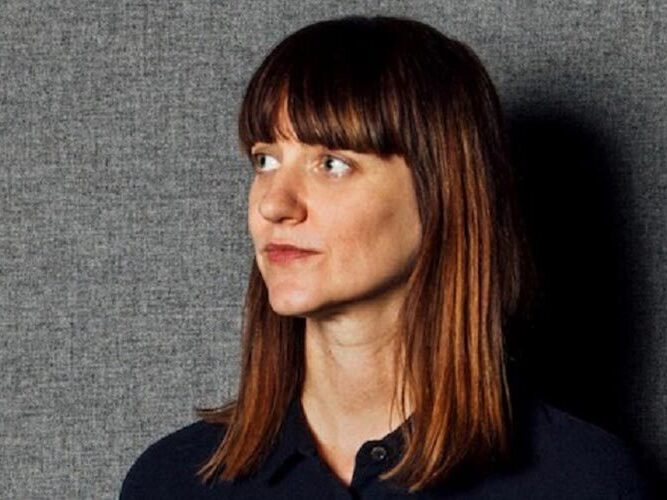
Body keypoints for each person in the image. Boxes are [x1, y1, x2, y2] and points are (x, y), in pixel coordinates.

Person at [120, 15, 654, 499]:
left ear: (441, 192)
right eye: (265, 160)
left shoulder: (583, 480)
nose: (273, 204)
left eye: (332, 163)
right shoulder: (172, 481)